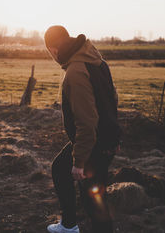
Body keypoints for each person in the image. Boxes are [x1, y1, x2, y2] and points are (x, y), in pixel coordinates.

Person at [45, 25, 122, 233]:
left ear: (53, 50)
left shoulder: (76, 71)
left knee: (94, 201)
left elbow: (86, 122)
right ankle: (69, 225)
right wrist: (115, 136)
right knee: (60, 168)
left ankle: (76, 226)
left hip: (94, 142)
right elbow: (111, 99)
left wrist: (79, 162)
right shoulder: (97, 61)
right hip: (103, 138)